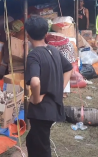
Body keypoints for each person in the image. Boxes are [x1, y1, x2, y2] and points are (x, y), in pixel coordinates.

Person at [24, 16, 73, 157]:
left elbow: (35, 81)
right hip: (52, 106)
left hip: (42, 110)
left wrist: (37, 98)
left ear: (28, 35)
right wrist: (60, 88)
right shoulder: (53, 49)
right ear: (46, 34)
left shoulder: (34, 56)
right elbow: (69, 68)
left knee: (42, 148)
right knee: (32, 140)